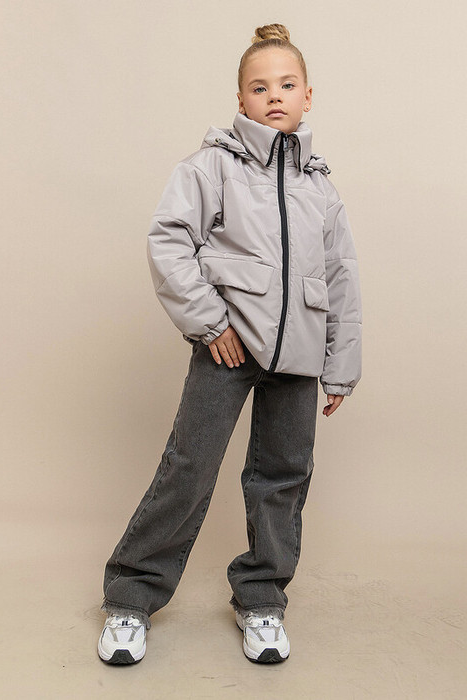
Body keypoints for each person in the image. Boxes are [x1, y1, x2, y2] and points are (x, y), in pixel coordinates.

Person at [97, 22, 362, 666]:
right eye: (259, 87)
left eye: (287, 85)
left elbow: (341, 278)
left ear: (308, 96)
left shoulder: (321, 189)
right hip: (228, 346)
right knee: (188, 468)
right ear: (240, 98)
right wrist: (211, 324)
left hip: (299, 356)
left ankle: (262, 599)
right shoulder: (210, 166)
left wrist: (340, 368)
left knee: (283, 476)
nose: (274, 96)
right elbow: (169, 243)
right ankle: (131, 598)